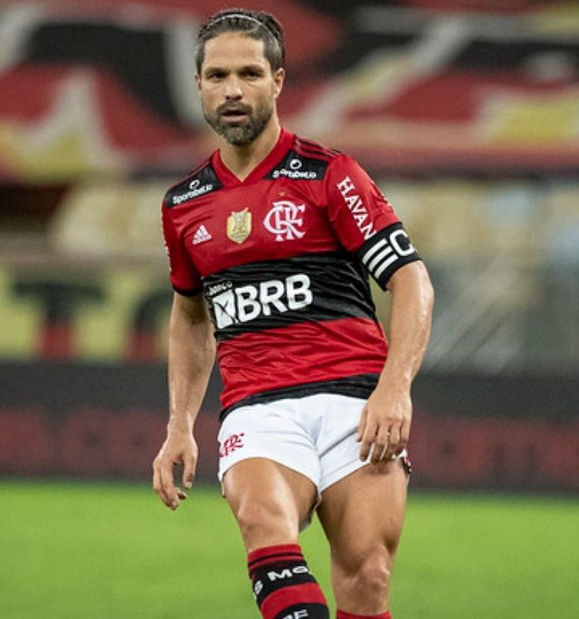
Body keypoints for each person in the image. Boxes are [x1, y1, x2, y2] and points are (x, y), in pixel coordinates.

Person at [151, 8, 434, 619]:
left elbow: (410, 280)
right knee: (262, 522)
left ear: (277, 81)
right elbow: (192, 316)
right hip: (258, 405)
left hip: (357, 402)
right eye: (217, 75)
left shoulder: (331, 175)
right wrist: (179, 425)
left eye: (249, 73)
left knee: (368, 576)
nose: (232, 89)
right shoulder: (184, 204)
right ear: (198, 83)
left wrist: (396, 389)